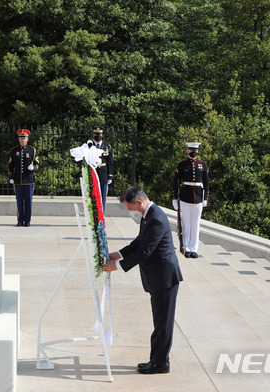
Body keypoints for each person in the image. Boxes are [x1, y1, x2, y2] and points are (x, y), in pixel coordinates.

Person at [101, 186, 183, 374]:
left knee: (163, 324)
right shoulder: (149, 215)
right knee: (160, 321)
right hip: (158, 278)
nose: (130, 212)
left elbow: (145, 252)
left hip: (165, 278)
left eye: (130, 208)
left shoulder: (156, 218)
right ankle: (158, 360)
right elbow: (139, 242)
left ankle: (160, 363)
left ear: (138, 202)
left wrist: (119, 266)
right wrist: (119, 254)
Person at [171, 142, 209, 258]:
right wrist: (174, 198)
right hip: (185, 197)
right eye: (191, 150)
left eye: (195, 150)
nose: (193, 152)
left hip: (198, 197)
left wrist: (205, 198)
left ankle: (194, 249)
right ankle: (186, 248)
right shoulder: (182, 165)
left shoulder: (203, 165)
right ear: (187, 150)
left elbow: (206, 183)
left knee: (195, 224)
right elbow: (175, 182)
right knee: (186, 224)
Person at [8, 129, 39, 227]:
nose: (22, 140)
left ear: (27, 139)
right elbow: (10, 165)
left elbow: (37, 164)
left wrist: (33, 167)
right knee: (19, 201)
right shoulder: (14, 151)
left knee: (28, 202)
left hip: (29, 180)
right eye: (20, 138)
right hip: (17, 181)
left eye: (24, 138)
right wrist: (10, 177)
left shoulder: (32, 151)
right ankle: (20, 220)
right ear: (18, 139)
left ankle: (27, 220)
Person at [86, 127, 114, 210]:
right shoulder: (89, 146)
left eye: (100, 134)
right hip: (93, 173)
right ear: (93, 135)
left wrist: (110, 176)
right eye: (96, 134)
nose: (98, 136)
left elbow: (110, 162)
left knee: (102, 197)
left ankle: (102, 218)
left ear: (102, 135)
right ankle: (93, 217)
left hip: (103, 174)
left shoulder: (107, 147)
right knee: (92, 196)